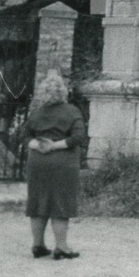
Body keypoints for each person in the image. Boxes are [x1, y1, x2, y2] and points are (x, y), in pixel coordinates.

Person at [22, 70, 87, 260]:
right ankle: (61, 247)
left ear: (43, 93)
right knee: (60, 203)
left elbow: (25, 136)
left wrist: (39, 145)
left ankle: (38, 245)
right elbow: (78, 137)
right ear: (63, 92)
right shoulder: (72, 112)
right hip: (63, 163)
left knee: (37, 202)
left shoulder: (36, 113)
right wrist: (55, 146)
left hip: (38, 162)